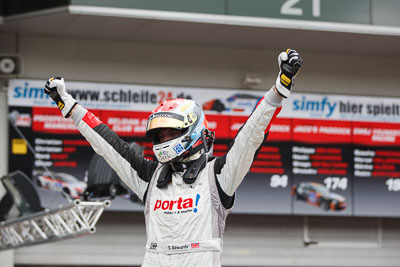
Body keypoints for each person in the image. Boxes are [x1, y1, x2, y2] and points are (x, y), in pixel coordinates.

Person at [43, 49, 302, 267]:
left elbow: (250, 137)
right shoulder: (149, 176)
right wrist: (67, 103)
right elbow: (108, 144)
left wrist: (278, 90)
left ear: (193, 130)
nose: (164, 139)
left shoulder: (219, 175)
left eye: (171, 132)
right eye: (159, 135)